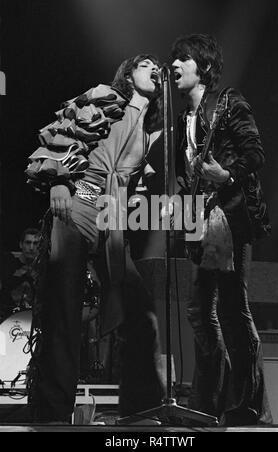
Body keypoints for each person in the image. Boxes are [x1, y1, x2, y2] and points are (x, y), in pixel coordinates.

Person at [25, 55, 165, 423]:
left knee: (141, 312)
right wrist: (57, 180)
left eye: (157, 66)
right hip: (79, 203)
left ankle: (142, 407)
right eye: (145, 64)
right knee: (64, 313)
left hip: (112, 217)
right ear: (129, 74)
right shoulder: (106, 99)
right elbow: (65, 131)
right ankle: (53, 412)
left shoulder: (152, 131)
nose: (155, 69)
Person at [171, 34, 272, 426]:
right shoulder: (184, 118)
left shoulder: (228, 102)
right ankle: (207, 401)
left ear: (205, 68)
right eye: (173, 59)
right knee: (199, 311)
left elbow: (255, 153)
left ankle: (247, 404)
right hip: (200, 220)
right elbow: (187, 174)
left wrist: (227, 176)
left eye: (184, 59)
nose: (175, 65)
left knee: (232, 310)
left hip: (230, 219)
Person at [0, 228, 40, 321]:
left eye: (35, 243)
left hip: (31, 320)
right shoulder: (8, 264)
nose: (31, 247)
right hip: (6, 318)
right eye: (28, 242)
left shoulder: (43, 270)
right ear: (21, 244)